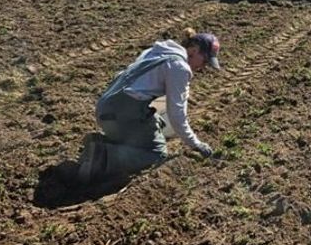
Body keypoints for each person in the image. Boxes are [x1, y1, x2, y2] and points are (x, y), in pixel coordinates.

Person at [77, 28, 220, 184]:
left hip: (106, 107)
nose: (204, 66)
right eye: (205, 60)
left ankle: (100, 142)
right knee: (156, 154)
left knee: (155, 122)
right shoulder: (179, 67)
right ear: (194, 49)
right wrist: (196, 144)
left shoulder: (159, 51)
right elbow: (177, 115)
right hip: (121, 114)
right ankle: (103, 155)